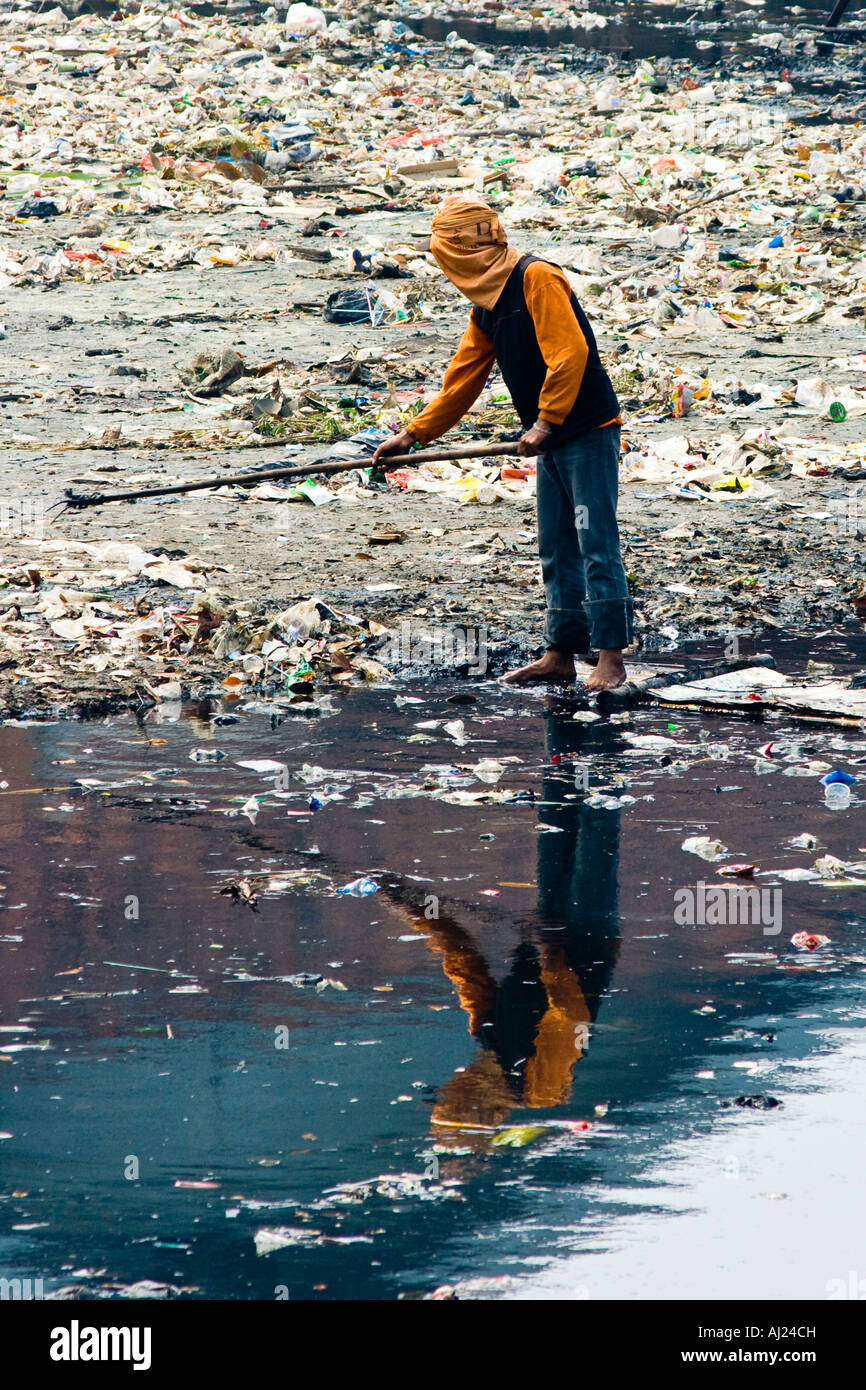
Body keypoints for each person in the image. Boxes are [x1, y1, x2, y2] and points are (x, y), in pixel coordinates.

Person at [372, 195, 634, 690]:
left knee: (595, 540)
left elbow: (571, 352)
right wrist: (413, 434)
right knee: (556, 546)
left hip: (587, 430)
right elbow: (464, 379)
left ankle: (611, 658)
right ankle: (560, 653)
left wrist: (546, 422)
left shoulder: (537, 278)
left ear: (461, 250)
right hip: (551, 436)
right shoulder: (488, 305)